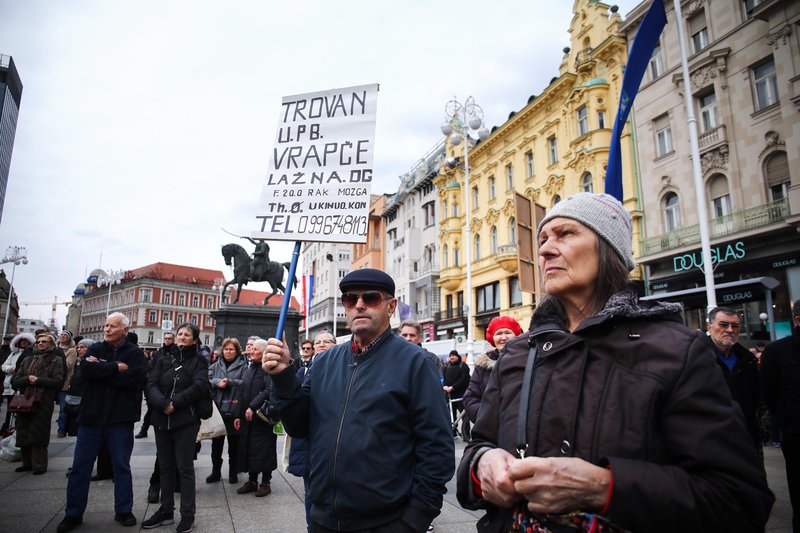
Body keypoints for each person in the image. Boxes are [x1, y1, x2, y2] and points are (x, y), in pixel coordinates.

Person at [456, 192, 774, 533]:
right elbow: (478, 447)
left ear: (609, 249)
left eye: (565, 234)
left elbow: (738, 500)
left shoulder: (677, 351)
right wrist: (481, 465)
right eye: (543, 239)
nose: (545, 249)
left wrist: (604, 488)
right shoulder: (518, 352)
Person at [264, 268, 455, 532]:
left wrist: (415, 520)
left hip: (386, 521)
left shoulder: (415, 363)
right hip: (323, 517)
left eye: (372, 297)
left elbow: (436, 448)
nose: (360, 305)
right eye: (350, 299)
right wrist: (283, 377)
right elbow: (299, 426)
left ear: (391, 306)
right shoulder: (324, 362)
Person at [57, 312, 147, 533]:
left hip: (120, 419)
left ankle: (124, 510)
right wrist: (116, 367)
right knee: (80, 467)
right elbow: (86, 371)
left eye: (112, 326)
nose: (106, 329)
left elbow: (134, 380)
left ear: (124, 330)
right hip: (92, 417)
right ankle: (73, 513)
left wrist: (103, 369)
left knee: (121, 467)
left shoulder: (135, 353)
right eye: (106, 325)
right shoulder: (96, 348)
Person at [142, 323, 209, 533]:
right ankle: (166, 510)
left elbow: (199, 386)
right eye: (179, 333)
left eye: (187, 334)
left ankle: (187, 514)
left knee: (185, 468)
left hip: (185, 421)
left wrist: (175, 403)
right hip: (161, 419)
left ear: (195, 339)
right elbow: (150, 384)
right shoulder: (163, 359)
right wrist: (162, 403)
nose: (181, 337)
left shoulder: (199, 361)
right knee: (165, 467)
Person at [288, 330, 336, 533]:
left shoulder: (344, 368)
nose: (322, 344)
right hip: (310, 440)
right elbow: (295, 404)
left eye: (327, 341)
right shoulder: (303, 372)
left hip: (335, 440)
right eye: (318, 342)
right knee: (311, 493)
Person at [761, 299, 800, 532]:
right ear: (798, 320)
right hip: (796, 434)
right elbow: (769, 393)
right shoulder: (778, 351)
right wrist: (788, 420)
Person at [706, 306, 762, 457]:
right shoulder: (696, 358)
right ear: (710, 328)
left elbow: (757, 399)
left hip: (747, 437)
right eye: (723, 325)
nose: (730, 330)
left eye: (735, 326)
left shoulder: (747, 360)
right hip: (710, 441)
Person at [11, 332, 64, 474]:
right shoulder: (27, 359)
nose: (40, 344)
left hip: (43, 401)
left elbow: (58, 382)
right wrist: (28, 379)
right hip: (25, 400)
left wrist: (39, 380)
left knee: (39, 432)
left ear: (51, 344)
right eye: (38, 342)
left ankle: (39, 465)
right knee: (23, 430)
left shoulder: (55, 360)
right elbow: (15, 381)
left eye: (44, 342)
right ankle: (26, 462)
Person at [234, 338, 278, 498]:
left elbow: (268, 389)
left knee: (264, 450)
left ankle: (265, 482)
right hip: (248, 418)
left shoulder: (269, 369)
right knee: (250, 448)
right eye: (251, 348)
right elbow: (242, 391)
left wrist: (252, 406)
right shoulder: (249, 368)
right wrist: (239, 414)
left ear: (264, 351)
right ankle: (252, 480)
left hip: (263, 417)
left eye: (255, 349)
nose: (251, 351)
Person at [463, 316, 522, 424]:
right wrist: (487, 416)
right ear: (492, 338)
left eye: (508, 332)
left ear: (516, 335)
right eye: (498, 333)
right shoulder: (482, 367)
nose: (503, 337)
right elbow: (471, 398)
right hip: (492, 431)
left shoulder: (527, 360)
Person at [207, 337, 247, 485]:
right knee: (216, 444)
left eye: (231, 349)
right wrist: (217, 382)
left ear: (237, 351)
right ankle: (215, 471)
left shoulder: (243, 367)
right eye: (226, 349)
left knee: (234, 445)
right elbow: (206, 380)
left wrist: (230, 382)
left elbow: (245, 384)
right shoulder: (215, 365)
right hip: (218, 409)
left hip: (234, 409)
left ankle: (232, 472)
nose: (228, 352)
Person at [137, 332, 175, 439]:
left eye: (170, 339)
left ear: (173, 340)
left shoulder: (176, 352)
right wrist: (150, 379)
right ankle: (144, 430)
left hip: (170, 385)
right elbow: (151, 367)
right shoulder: (159, 353)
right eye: (166, 338)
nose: (167, 340)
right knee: (151, 409)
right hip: (157, 385)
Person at [1, 332, 34, 433]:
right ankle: (7, 427)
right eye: (21, 341)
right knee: (10, 408)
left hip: (22, 384)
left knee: (21, 408)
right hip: (11, 383)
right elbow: (4, 366)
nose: (23, 343)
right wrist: (12, 369)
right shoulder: (14, 353)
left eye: (26, 341)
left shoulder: (31, 353)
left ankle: (18, 428)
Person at [57, 331, 78, 438]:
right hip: (51, 382)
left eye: (65, 335)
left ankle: (62, 429)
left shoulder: (72, 351)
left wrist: (55, 361)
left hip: (64, 383)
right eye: (62, 335)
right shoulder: (55, 349)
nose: (63, 336)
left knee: (63, 409)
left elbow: (68, 366)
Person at [442, 349, 470, 426]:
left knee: (464, 416)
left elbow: (464, 379)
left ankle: (466, 435)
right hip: (449, 395)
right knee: (450, 416)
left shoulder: (463, 365)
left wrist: (453, 387)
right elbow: (444, 378)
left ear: (457, 356)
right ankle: (453, 434)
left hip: (461, 395)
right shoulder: (446, 366)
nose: (452, 357)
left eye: (453, 355)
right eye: (450, 356)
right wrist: (444, 386)